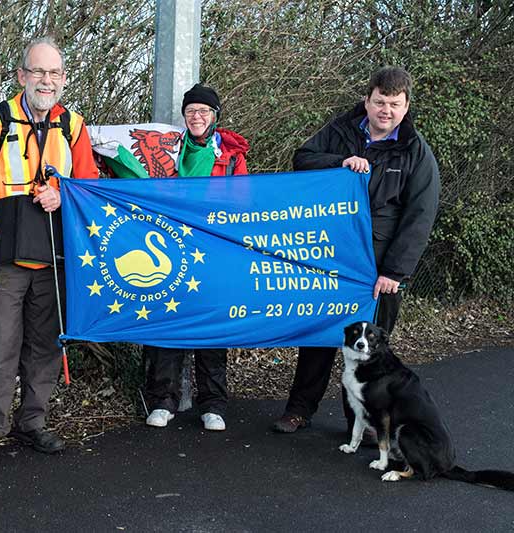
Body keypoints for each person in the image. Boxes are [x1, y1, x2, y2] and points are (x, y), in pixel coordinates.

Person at [271, 66, 440, 435]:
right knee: (321, 335)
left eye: (395, 104)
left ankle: (361, 424)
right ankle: (299, 410)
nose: (386, 110)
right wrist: (340, 163)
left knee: (371, 350)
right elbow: (302, 159)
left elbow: (419, 217)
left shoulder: (416, 151)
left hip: (379, 268)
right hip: (332, 257)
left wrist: (395, 272)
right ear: (367, 100)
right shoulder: (340, 131)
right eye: (380, 102)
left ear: (406, 106)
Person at [0, 37, 98, 465]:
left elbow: (90, 188)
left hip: (55, 257)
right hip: (5, 256)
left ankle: (32, 422)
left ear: (63, 80)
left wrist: (62, 194)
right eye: (38, 72)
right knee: (0, 344)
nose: (46, 80)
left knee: (46, 346)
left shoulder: (73, 126)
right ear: (21, 76)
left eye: (54, 73)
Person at [143, 83, 250, 431]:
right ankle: (163, 401)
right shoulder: (170, 150)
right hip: (174, 248)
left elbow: (243, 202)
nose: (197, 117)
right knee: (168, 322)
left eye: (204, 112)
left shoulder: (231, 157)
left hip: (215, 251)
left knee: (212, 326)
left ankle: (213, 403)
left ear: (215, 116)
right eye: (191, 112)